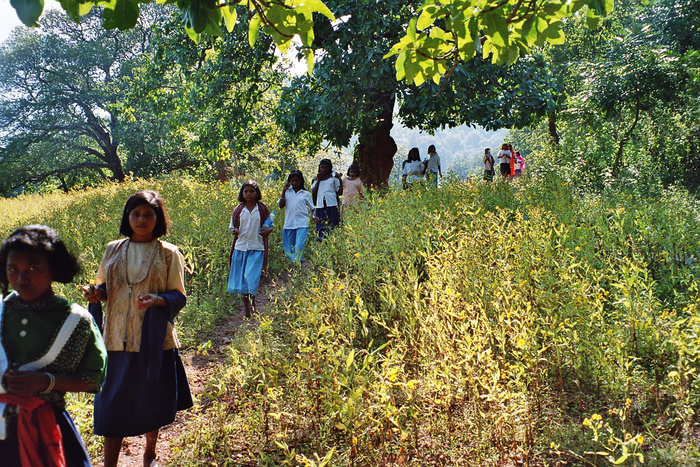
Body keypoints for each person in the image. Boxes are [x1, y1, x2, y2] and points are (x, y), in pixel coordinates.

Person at [84, 190, 192, 467]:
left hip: (153, 340)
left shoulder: (169, 254)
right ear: (127, 217)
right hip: (115, 339)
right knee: (110, 404)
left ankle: (150, 452)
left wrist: (157, 300)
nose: (141, 219)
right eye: (136, 214)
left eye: (148, 214)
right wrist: (96, 295)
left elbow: (178, 295)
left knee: (150, 399)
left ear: (158, 219)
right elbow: (106, 289)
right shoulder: (113, 249)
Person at [0, 225, 107, 467]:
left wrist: (46, 382)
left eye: (33, 268)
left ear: (54, 269)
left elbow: (93, 380)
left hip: (46, 429)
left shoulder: (76, 321)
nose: (21, 278)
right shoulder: (1, 312)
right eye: (12, 269)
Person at [228, 181, 273, 317]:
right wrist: (234, 231)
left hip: (257, 248)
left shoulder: (262, 209)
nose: (248, 194)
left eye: (251, 191)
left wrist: (268, 231)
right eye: (246, 191)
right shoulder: (238, 210)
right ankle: (247, 310)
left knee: (251, 279)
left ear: (257, 193)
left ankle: (254, 305)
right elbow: (232, 227)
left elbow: (270, 225)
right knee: (242, 282)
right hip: (241, 248)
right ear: (242, 194)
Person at [278, 171, 316, 265]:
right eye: (292, 181)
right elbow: (281, 205)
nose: (294, 183)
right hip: (289, 223)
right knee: (289, 246)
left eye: (297, 181)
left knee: (299, 245)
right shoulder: (287, 192)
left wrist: (313, 216)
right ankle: (294, 263)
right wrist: (283, 191)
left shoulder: (305, 193)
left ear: (301, 181)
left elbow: (312, 208)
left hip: (302, 223)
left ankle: (298, 263)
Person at [311, 159, 343, 241]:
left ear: (329, 168)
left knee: (331, 223)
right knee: (321, 224)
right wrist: (318, 180)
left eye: (325, 168)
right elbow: (313, 191)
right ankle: (321, 240)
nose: (323, 170)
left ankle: (332, 240)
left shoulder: (333, 179)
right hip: (320, 205)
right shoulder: (316, 180)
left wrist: (340, 180)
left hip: (331, 205)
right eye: (321, 168)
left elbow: (339, 192)